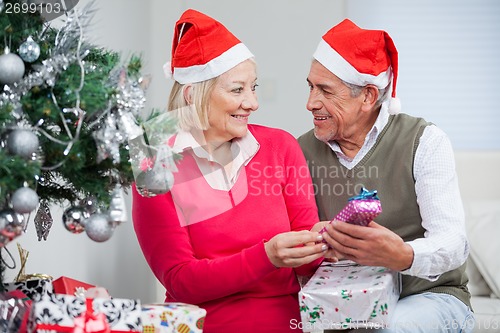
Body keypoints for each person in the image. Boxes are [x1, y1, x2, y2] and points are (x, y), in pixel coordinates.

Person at [132, 9, 331, 333]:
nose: (252, 102)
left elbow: (306, 256)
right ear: (193, 94)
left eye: (253, 88)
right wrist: (266, 256)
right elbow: (181, 279)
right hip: (200, 324)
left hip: (285, 321)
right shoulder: (153, 163)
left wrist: (327, 241)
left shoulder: (279, 146)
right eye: (238, 90)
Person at [298, 19, 474, 332]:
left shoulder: (424, 141)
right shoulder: (299, 151)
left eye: (325, 90)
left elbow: (453, 243)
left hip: (428, 296)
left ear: (367, 96)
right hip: (340, 302)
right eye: (311, 87)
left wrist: (402, 254)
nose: (311, 103)